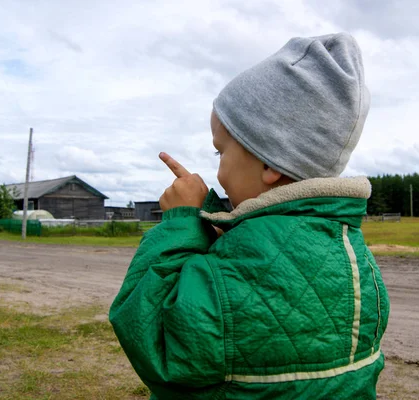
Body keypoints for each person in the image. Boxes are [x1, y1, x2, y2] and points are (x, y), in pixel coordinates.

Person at [109, 32, 390, 399]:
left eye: (220, 153)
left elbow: (154, 342)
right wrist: (207, 212)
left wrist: (181, 222)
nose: (220, 171)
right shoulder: (358, 261)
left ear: (270, 165)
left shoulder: (237, 269)